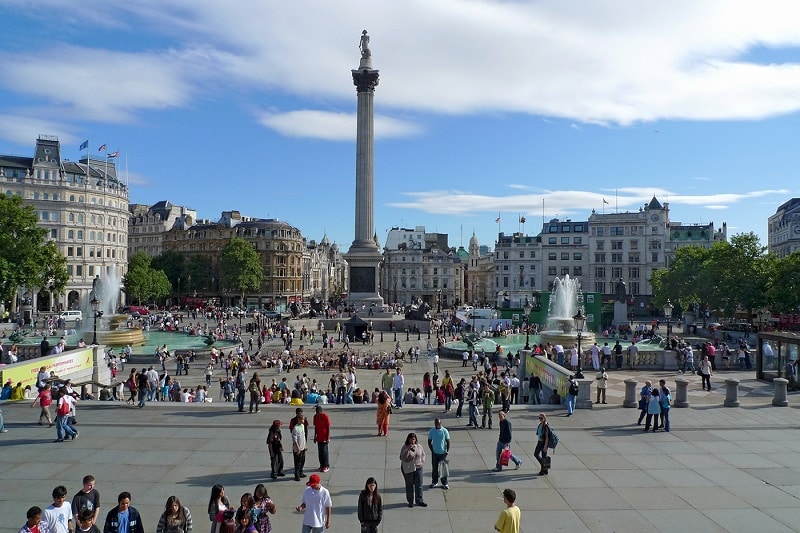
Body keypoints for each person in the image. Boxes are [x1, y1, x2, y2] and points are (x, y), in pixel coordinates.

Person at [399, 432, 427, 508]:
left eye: (414, 439)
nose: (412, 441)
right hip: (409, 469)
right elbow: (402, 457)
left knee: (419, 485)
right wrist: (408, 449)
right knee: (409, 485)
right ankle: (410, 501)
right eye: (411, 439)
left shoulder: (419, 446)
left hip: (418, 468)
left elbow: (423, 454)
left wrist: (422, 461)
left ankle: (419, 500)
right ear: (408, 440)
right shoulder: (405, 447)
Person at [427, 418, 450, 490]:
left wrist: (447, 451)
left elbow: (448, 441)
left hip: (443, 453)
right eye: (436, 423)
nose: (437, 425)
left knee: (443, 469)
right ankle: (434, 482)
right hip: (435, 453)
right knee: (434, 468)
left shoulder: (444, 431)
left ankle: (445, 483)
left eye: (439, 423)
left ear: (441, 423)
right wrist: (432, 450)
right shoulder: (432, 431)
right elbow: (429, 441)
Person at [312, 405, 331, 472]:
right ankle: (321, 465)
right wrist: (315, 436)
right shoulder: (315, 417)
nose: (317, 414)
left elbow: (328, 427)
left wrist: (328, 437)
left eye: (318, 412)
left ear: (321, 411)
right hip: (319, 437)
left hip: (324, 437)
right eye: (316, 412)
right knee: (320, 452)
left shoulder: (325, 416)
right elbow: (316, 427)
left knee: (324, 452)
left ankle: (326, 465)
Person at [291, 411, 308, 481]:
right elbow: (294, 440)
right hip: (298, 449)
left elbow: (303, 436)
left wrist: (305, 444)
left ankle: (301, 472)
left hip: (303, 447)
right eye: (302, 419)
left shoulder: (302, 426)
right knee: (297, 462)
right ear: (298, 419)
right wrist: (298, 449)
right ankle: (297, 475)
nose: (303, 421)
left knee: (302, 461)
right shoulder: (295, 428)